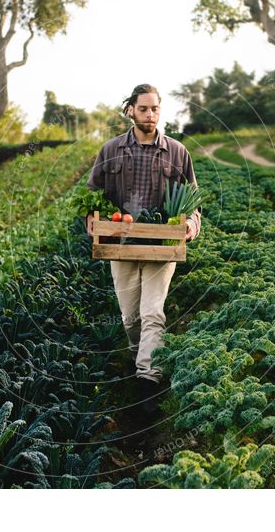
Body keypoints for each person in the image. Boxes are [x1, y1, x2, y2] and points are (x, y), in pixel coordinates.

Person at [85, 83, 202, 417]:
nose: (150, 115)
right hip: (120, 245)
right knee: (130, 317)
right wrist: (92, 222)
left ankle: (147, 383)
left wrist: (191, 225)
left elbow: (193, 201)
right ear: (131, 111)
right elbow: (91, 194)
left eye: (155, 109)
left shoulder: (178, 153)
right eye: (144, 109)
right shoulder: (110, 151)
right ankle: (141, 359)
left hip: (161, 246)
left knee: (153, 313)